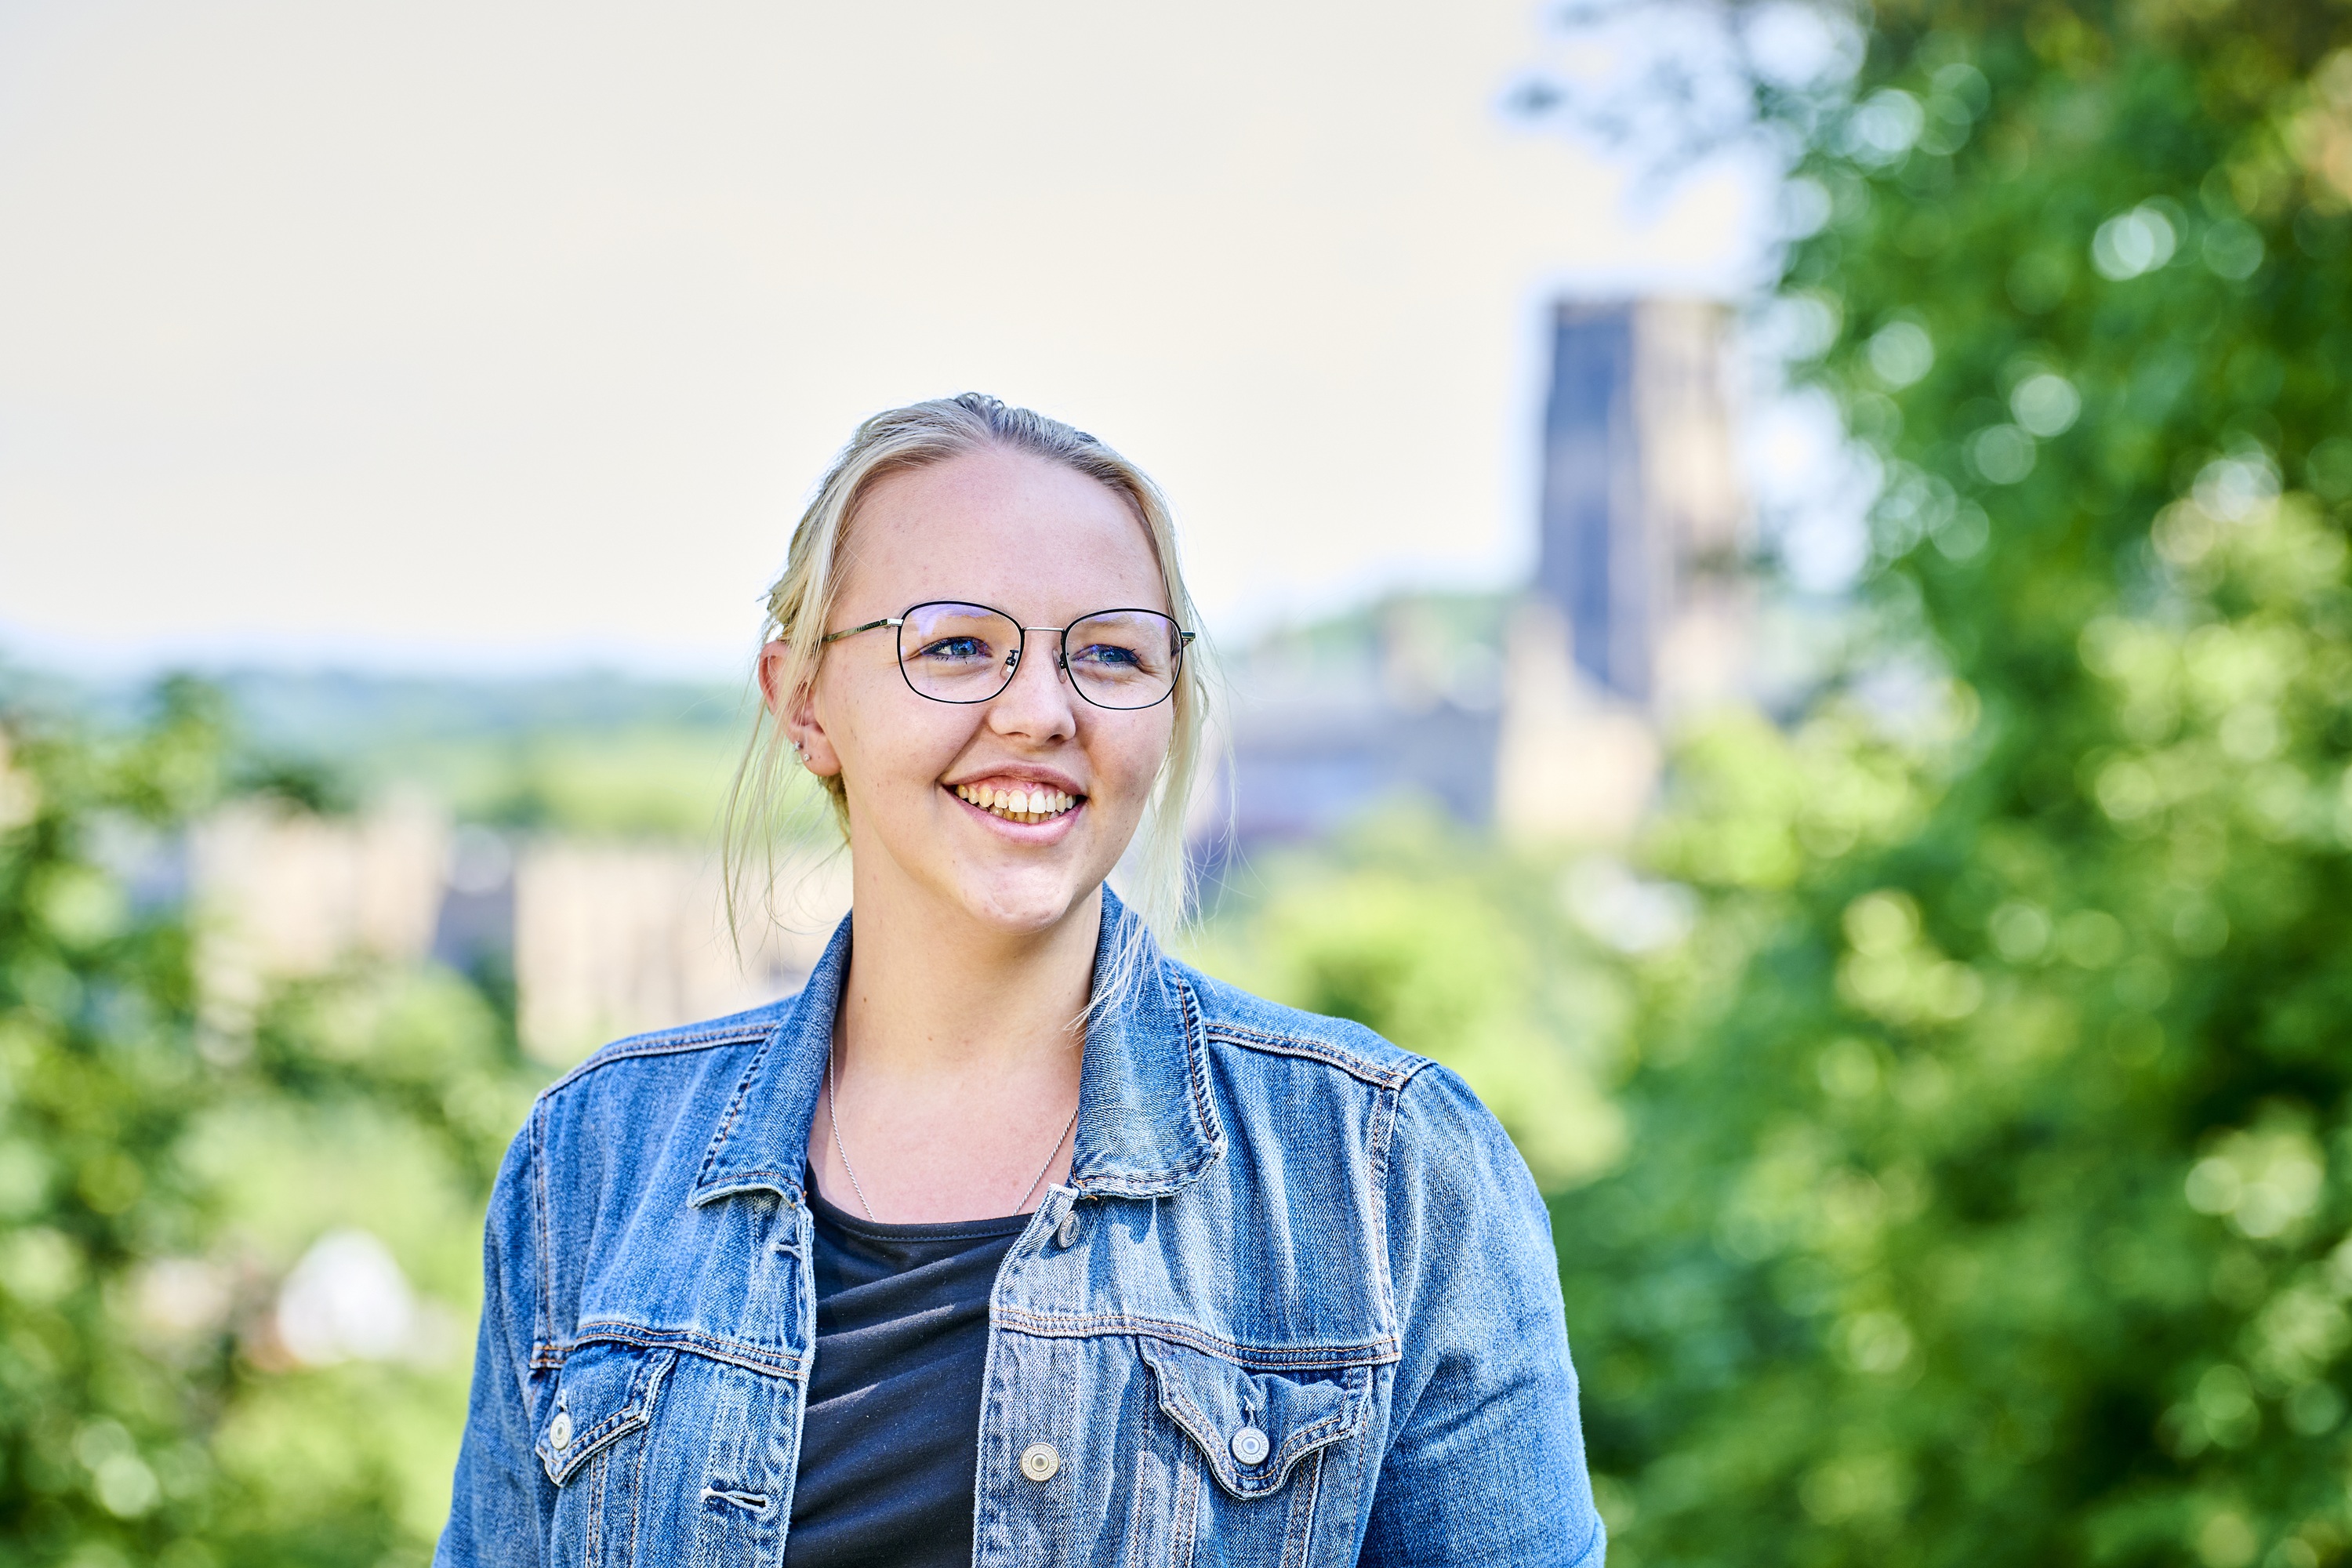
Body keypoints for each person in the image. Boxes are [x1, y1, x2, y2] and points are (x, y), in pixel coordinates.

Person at [435, 394, 1605, 1566]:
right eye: (954, 645)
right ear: (802, 702)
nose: (1042, 710)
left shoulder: (1385, 1174)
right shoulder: (591, 1161)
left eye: (1108, 652)